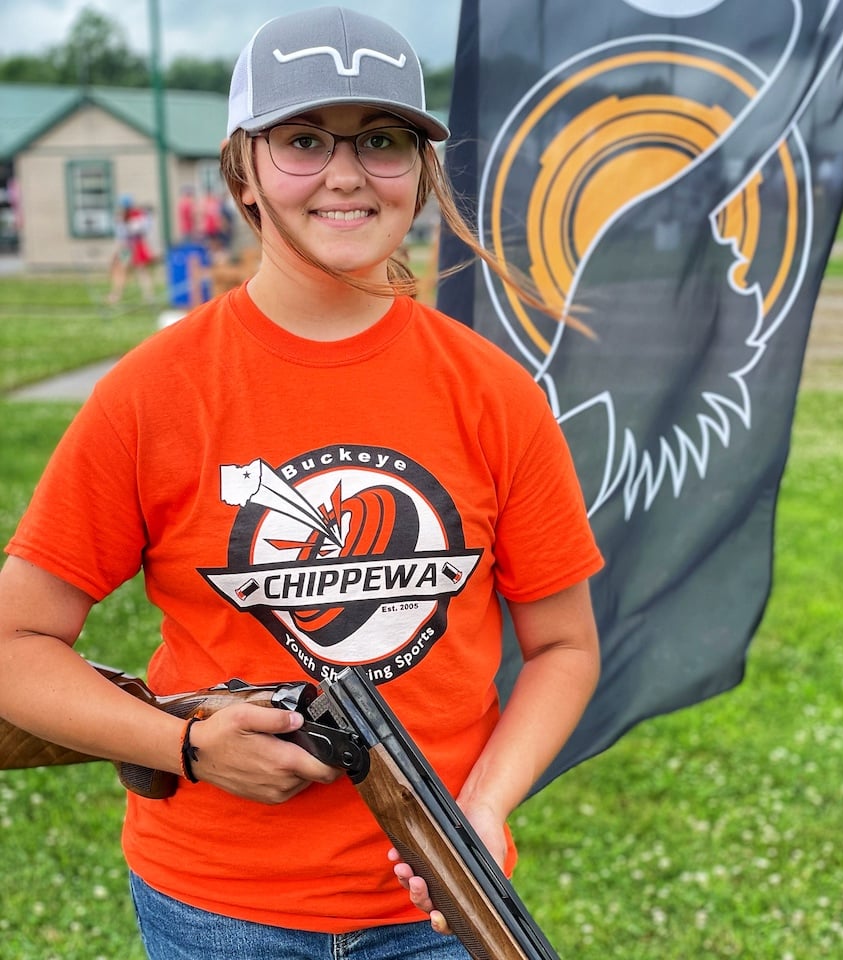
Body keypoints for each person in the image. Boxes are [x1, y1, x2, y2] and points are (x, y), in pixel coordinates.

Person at [0, 7, 602, 959]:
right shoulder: (155, 393)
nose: (348, 173)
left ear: (422, 171)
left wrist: (478, 814)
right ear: (242, 168)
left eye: (385, 140)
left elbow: (565, 645)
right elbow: (14, 644)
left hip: (436, 906)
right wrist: (189, 748)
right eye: (304, 139)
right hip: (214, 908)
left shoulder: (493, 393)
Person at [106, 195, 155, 304]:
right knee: (121, 272)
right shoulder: (123, 218)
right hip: (126, 248)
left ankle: (148, 296)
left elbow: (139, 230)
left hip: (135, 247)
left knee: (142, 271)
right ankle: (116, 295)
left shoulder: (137, 218)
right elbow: (121, 236)